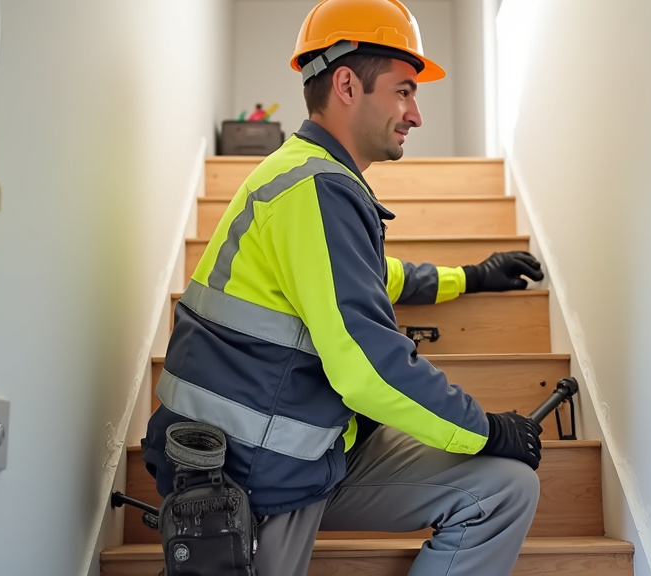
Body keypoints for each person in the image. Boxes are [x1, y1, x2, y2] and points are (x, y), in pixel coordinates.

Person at [141, 1, 546, 574]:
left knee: (504, 489)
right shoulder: (316, 189)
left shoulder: (308, 178)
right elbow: (367, 368)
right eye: (404, 91)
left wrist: (473, 277)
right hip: (250, 464)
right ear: (349, 84)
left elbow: (368, 277)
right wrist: (484, 429)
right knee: (497, 469)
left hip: (310, 443)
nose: (416, 114)